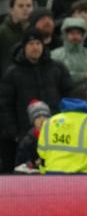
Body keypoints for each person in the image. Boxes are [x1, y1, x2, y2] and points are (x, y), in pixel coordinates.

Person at [0, 28, 73, 172]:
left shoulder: (57, 69)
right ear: (24, 47)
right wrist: (14, 133)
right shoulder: (12, 73)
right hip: (25, 137)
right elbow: (5, 105)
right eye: (31, 44)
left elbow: (69, 97)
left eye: (38, 43)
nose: (35, 47)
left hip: (57, 135)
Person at [14, 99, 51, 174]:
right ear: (32, 120)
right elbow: (21, 163)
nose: (42, 120)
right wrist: (32, 164)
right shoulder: (27, 141)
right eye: (37, 117)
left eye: (45, 116)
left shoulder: (54, 137)